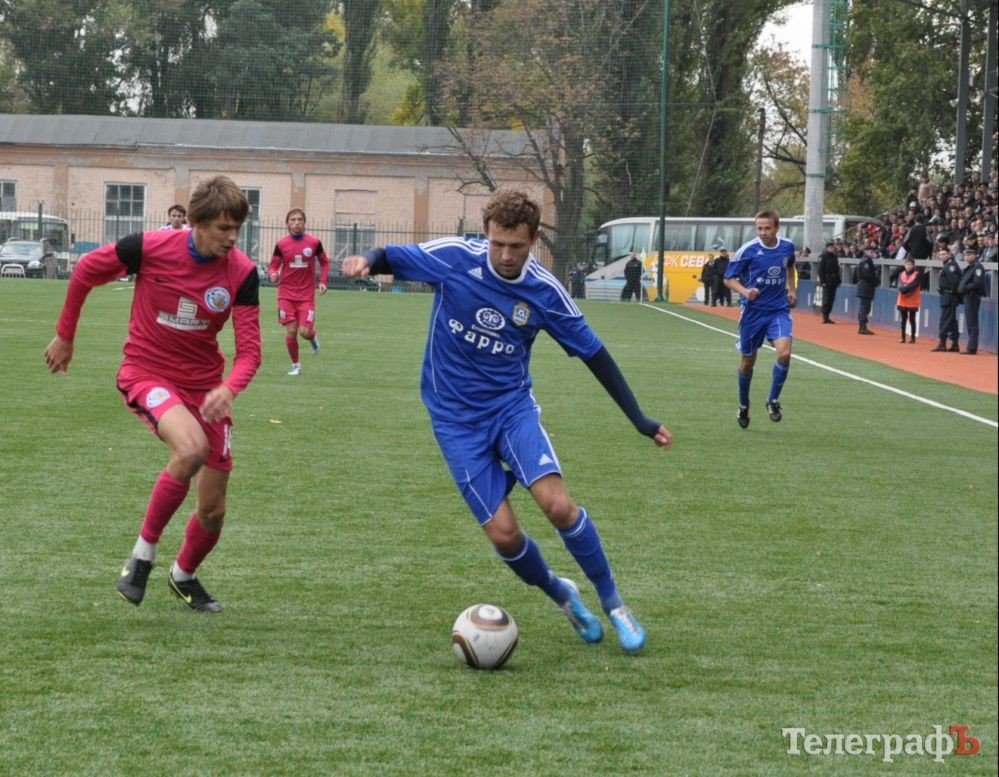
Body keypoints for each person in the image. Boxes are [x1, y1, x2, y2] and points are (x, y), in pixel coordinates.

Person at [341, 190, 672, 654]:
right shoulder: (456, 258)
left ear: (534, 239)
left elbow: (594, 353)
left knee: (557, 505)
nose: (505, 255)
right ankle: (562, 594)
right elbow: (392, 256)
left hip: (510, 409)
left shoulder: (544, 291)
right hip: (454, 419)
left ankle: (615, 603)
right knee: (504, 533)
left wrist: (637, 417)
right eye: (497, 243)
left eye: (516, 246)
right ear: (486, 234)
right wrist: (366, 261)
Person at [43, 175, 261, 612]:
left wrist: (228, 388)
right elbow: (86, 271)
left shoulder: (241, 272)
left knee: (214, 511)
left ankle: (183, 576)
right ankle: (142, 555)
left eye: (237, 229)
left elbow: (251, 353)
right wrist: (65, 336)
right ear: (197, 222)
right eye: (223, 228)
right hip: (148, 373)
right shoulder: (148, 247)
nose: (232, 238)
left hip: (205, 388)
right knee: (191, 449)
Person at [722, 210, 797, 429]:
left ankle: (772, 400)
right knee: (747, 362)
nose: (763, 232)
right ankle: (743, 405)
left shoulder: (787, 246)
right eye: (759, 228)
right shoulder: (748, 250)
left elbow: (790, 266)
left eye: (767, 228)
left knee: (784, 353)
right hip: (753, 314)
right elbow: (729, 279)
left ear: (777, 228)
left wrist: (792, 290)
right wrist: (745, 292)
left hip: (778, 310)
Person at [269, 208, 330, 375]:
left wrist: (323, 282)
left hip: (306, 295)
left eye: (299, 220)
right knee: (291, 330)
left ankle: (312, 337)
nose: (296, 223)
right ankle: (296, 365)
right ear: (287, 223)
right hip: (285, 294)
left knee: (304, 332)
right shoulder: (281, 244)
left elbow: (324, 262)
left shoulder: (314, 243)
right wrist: (273, 275)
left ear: (304, 222)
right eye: (293, 220)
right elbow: (273, 265)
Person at [956, 246, 986, 354]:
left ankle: (972, 348)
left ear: (974, 255)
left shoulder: (977, 267)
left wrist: (965, 288)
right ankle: (971, 346)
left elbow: (978, 283)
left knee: (972, 322)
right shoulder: (970, 267)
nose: (967, 257)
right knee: (970, 322)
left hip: (972, 296)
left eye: (969, 255)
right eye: (965, 255)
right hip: (967, 296)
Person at [931, 245, 962, 352]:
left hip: (949, 296)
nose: (942, 256)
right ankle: (954, 343)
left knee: (945, 319)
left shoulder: (950, 265)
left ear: (949, 254)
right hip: (947, 295)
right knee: (951, 320)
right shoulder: (948, 265)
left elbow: (955, 282)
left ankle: (942, 343)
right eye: (940, 254)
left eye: (944, 254)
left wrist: (950, 291)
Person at [895, 257, 921, 343]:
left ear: (913, 265)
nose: (908, 266)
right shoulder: (901, 274)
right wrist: (904, 289)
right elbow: (899, 285)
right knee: (903, 319)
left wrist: (905, 289)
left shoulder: (917, 274)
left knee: (912, 319)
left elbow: (914, 285)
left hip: (912, 300)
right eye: (907, 264)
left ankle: (913, 337)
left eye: (910, 264)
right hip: (902, 300)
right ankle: (903, 337)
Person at [854, 246, 880, 335]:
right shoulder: (866, 261)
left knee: (865, 307)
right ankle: (862, 327)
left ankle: (863, 326)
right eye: (870, 251)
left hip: (865, 286)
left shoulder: (866, 260)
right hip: (865, 286)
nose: (872, 253)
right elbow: (868, 275)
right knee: (864, 307)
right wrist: (876, 281)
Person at [816, 241, 841, 323]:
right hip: (826, 279)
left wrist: (838, 280)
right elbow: (820, 270)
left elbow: (837, 269)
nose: (833, 248)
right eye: (831, 247)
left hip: (833, 280)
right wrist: (822, 281)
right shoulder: (823, 257)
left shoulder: (834, 256)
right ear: (827, 248)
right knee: (826, 299)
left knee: (831, 299)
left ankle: (828, 316)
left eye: (833, 247)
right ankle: (824, 316)